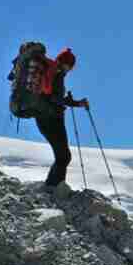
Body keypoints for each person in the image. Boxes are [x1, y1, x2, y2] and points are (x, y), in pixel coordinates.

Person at [35, 48, 90, 188]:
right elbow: (55, 98)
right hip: (52, 119)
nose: (70, 69)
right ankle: (55, 188)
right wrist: (75, 103)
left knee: (62, 156)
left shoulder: (52, 73)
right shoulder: (57, 74)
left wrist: (69, 101)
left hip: (44, 118)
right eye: (70, 66)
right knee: (63, 156)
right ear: (66, 64)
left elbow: (52, 97)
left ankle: (53, 186)